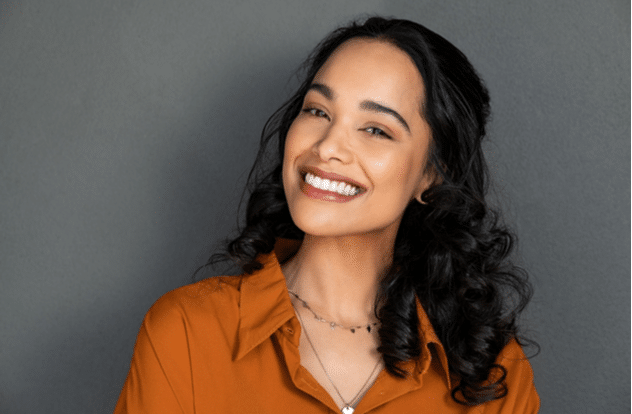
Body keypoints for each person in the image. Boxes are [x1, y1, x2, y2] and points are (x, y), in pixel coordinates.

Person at [114, 16, 539, 413]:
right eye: (318, 111)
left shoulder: (494, 371)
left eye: (376, 129)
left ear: (432, 173)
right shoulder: (186, 332)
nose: (327, 146)